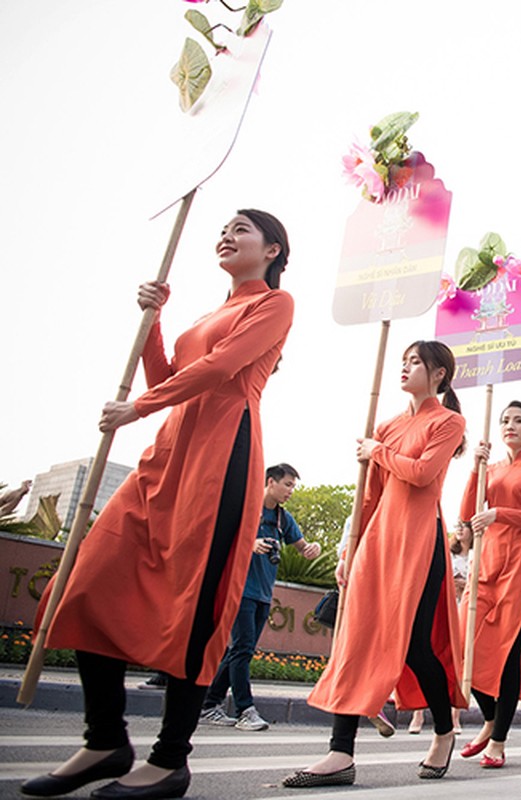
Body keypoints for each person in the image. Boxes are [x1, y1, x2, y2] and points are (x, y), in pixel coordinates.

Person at [21, 210, 294, 800]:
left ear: (272, 249)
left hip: (222, 454)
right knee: (90, 580)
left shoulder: (273, 304)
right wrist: (154, 320)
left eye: (242, 228)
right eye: (223, 227)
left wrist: (136, 412)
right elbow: (166, 375)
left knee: (192, 599)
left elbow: (219, 369)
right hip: (168, 452)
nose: (226, 234)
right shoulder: (207, 313)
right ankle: (105, 740)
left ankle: (171, 758)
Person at [286, 340, 468, 787]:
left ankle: (443, 732)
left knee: (415, 647)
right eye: (402, 361)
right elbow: (370, 496)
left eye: (415, 363)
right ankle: (339, 754)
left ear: (439, 374)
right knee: (356, 636)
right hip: (377, 541)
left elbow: (423, 474)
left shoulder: (449, 422)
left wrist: (376, 451)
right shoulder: (385, 425)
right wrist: (351, 549)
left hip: (419, 541)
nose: (404, 368)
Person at [458, 400, 521, 770]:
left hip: (520, 563)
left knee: (508, 650)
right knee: (465, 642)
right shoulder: (493, 467)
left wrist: (500, 513)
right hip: (486, 561)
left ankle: (498, 740)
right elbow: (468, 512)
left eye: (519, 420)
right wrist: (475, 468)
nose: (510, 425)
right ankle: (489, 718)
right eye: (504, 420)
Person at [200, 464, 321, 732]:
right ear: (271, 482)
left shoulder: (283, 519)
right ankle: (245, 710)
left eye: (293, 486)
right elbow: (218, 538)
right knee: (242, 649)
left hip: (264, 594)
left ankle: (209, 704)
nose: (291, 491)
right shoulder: (245, 509)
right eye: (287, 485)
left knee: (239, 651)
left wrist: (313, 548)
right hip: (240, 589)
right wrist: (249, 544)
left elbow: (303, 548)